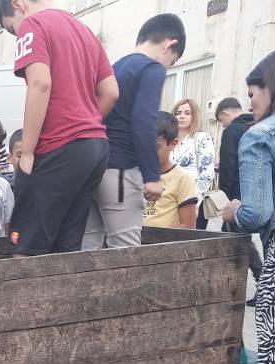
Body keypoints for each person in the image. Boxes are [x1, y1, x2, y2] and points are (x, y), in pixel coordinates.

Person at [0, 0, 118, 255]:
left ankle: (23, 295)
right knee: (67, 245)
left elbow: (40, 83)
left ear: (17, 4)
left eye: (12, 30)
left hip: (58, 146)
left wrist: (28, 150)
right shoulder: (82, 29)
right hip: (96, 147)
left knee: (27, 245)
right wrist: (86, 122)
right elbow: (111, 92)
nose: (16, 37)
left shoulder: (32, 24)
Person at [82, 14, 186, 250]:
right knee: (126, 252)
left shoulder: (114, 67)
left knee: (88, 249)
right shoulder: (151, 68)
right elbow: (144, 121)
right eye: (172, 62)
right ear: (171, 44)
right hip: (120, 171)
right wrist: (152, 176)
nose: (167, 67)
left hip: (92, 168)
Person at [223, 50, 275, 364]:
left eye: (252, 94)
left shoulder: (260, 135)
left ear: (271, 87)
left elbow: (256, 213)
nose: (249, 105)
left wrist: (234, 209)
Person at [215, 97, 262, 306]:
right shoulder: (256, 125)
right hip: (257, 195)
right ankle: (260, 284)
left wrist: (224, 196)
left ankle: (231, 289)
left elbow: (228, 165)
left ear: (225, 114)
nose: (223, 125)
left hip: (235, 198)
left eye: (221, 121)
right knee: (242, 241)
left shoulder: (232, 130)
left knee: (234, 242)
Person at [142, 112, 197, 229]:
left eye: (156, 147)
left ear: (173, 144)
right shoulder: (134, 174)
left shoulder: (182, 178)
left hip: (163, 245)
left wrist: (157, 236)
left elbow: (189, 226)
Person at [171, 98, 216, 229]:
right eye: (178, 113)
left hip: (193, 199)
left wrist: (193, 203)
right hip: (169, 201)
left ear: (194, 116)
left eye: (187, 113)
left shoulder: (201, 138)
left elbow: (207, 173)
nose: (181, 116)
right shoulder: (168, 139)